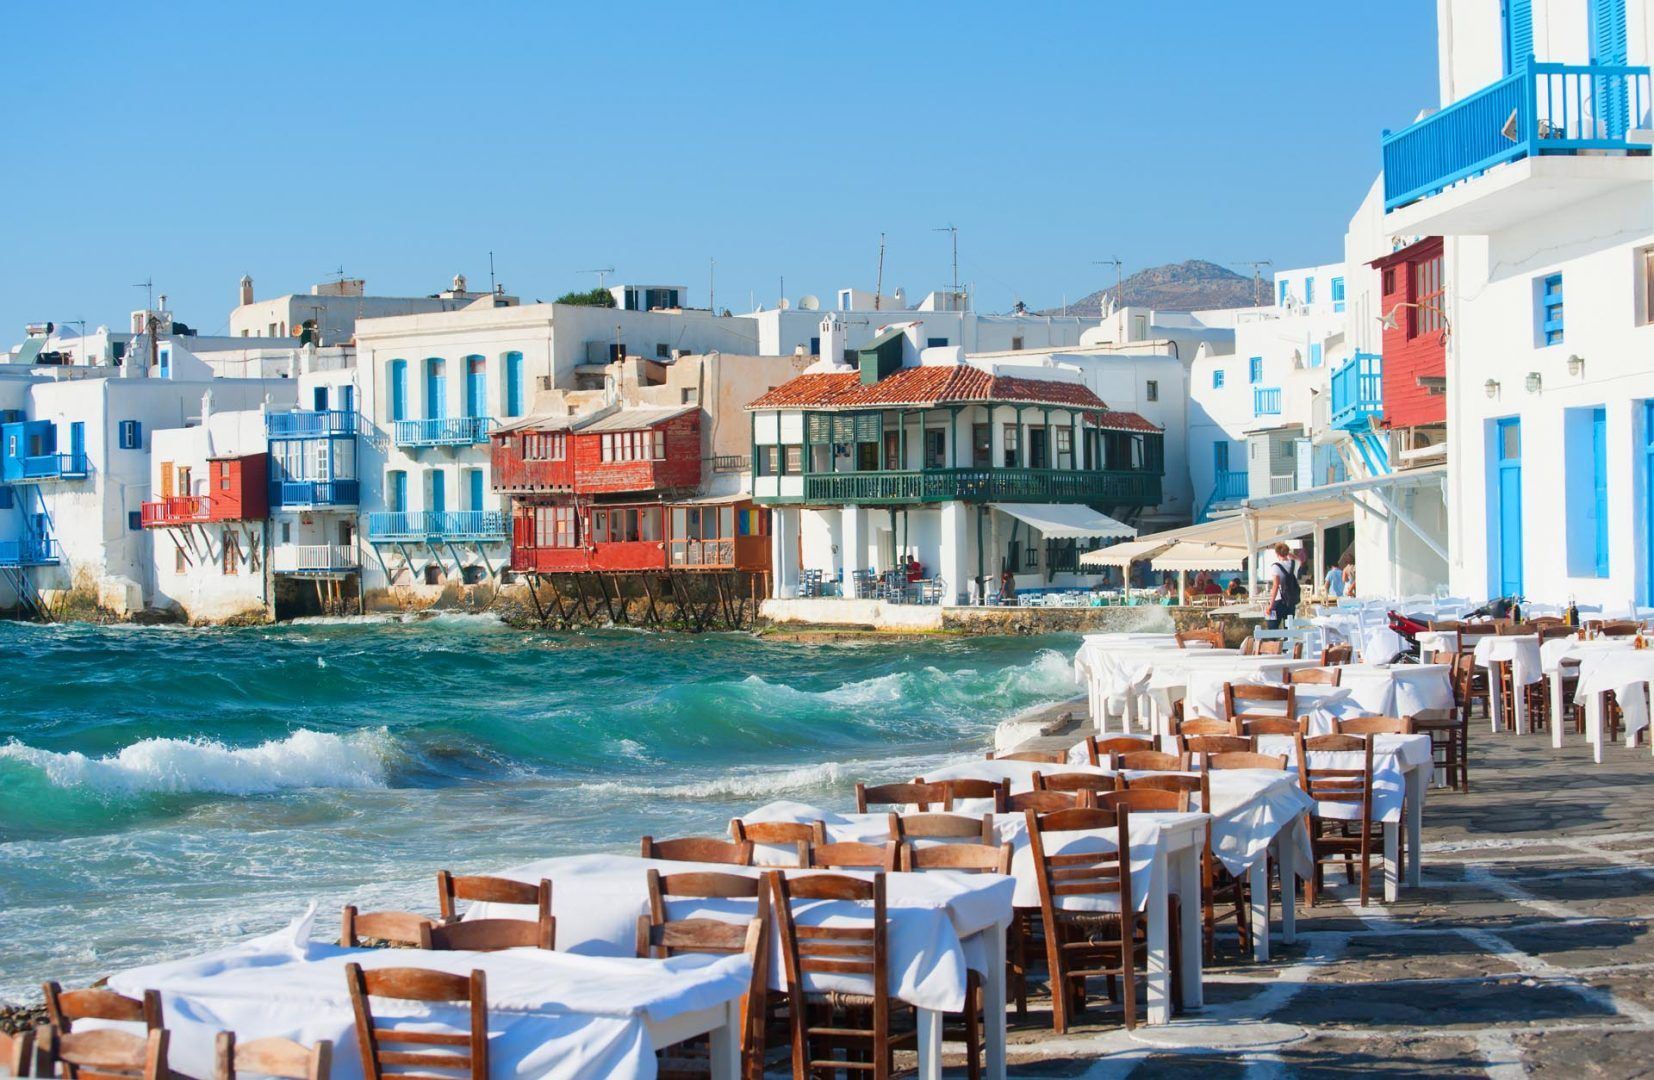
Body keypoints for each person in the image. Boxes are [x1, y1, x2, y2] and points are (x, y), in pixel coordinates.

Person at [1265, 541, 1301, 629]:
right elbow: (1298, 559)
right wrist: (1288, 553)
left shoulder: (1276, 567)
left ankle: (1273, 642)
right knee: (1288, 627)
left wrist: (1270, 605)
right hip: (1291, 600)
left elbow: (1275, 585)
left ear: (1276, 553)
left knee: (1272, 626)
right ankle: (1287, 642)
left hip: (1279, 600)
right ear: (1287, 552)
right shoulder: (1295, 563)